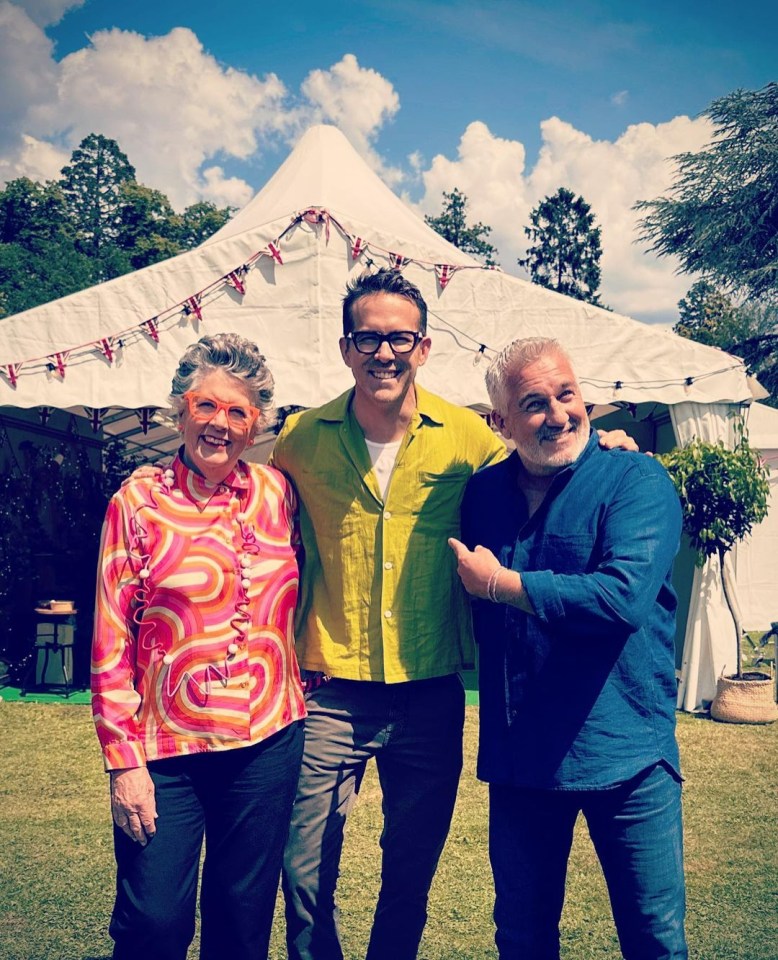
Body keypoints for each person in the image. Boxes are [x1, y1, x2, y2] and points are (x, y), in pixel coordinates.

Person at [271, 269, 636, 960]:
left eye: (399, 338)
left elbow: (548, 456)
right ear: (345, 348)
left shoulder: (467, 435)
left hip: (430, 693)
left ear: (425, 346)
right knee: (303, 865)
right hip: (329, 694)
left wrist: (607, 453)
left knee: (410, 873)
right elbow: (242, 491)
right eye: (368, 338)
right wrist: (160, 469)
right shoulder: (300, 439)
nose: (385, 353)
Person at [449, 336, 687, 960]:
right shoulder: (482, 496)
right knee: (522, 940)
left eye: (566, 394)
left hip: (627, 754)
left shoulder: (635, 478)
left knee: (654, 939)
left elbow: (622, 599)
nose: (558, 415)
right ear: (499, 421)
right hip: (523, 757)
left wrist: (504, 585)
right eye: (533, 403)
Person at [91, 333, 306, 960]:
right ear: (180, 411)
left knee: (242, 924)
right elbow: (109, 641)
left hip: (266, 742)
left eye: (238, 412)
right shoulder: (137, 501)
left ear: (256, 424)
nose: (220, 424)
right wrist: (123, 763)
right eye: (206, 407)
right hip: (165, 750)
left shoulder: (278, 494)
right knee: (152, 921)